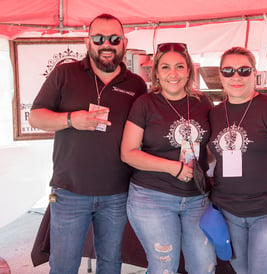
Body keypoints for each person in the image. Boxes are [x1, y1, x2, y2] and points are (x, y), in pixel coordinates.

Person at [28, 14, 147, 274]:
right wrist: (72, 120)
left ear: (124, 43)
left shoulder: (136, 84)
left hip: (117, 193)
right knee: (63, 265)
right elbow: (35, 116)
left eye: (114, 38)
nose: (107, 44)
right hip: (70, 191)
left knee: (110, 263)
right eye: (99, 38)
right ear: (87, 41)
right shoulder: (64, 73)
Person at [120, 42, 216, 273]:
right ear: (156, 73)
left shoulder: (202, 102)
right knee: (165, 266)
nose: (173, 74)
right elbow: (128, 152)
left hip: (197, 198)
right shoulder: (145, 104)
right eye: (165, 67)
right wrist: (173, 167)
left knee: (205, 266)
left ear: (189, 71)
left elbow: (210, 149)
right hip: (153, 198)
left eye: (179, 67)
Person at [208, 46, 267, 274]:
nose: (236, 76)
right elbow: (211, 158)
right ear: (220, 75)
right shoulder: (215, 113)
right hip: (228, 212)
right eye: (228, 71)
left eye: (243, 70)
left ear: (254, 73)